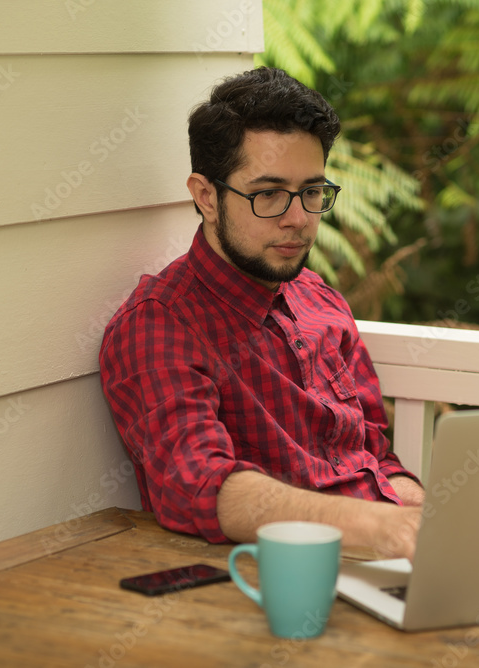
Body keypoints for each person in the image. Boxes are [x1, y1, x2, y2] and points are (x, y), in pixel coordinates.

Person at [99, 67, 424, 559]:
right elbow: (197, 485)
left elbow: (377, 459)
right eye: (268, 193)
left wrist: (433, 519)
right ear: (207, 196)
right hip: (279, 580)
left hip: (389, 563)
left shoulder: (321, 300)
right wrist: (381, 529)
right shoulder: (159, 325)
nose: (298, 218)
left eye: (312, 192)